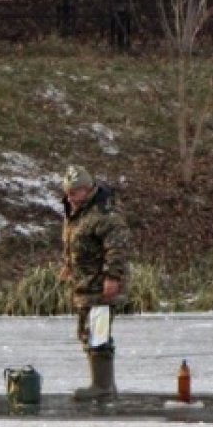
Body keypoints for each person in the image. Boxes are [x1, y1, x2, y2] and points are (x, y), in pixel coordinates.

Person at [58, 165, 131, 402]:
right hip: (84, 283)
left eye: (75, 192)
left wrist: (113, 276)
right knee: (86, 331)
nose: (70, 197)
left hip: (101, 285)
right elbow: (75, 241)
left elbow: (117, 247)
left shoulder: (104, 213)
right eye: (68, 192)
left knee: (97, 332)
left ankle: (102, 386)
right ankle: (104, 383)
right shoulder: (76, 211)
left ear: (88, 189)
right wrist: (69, 264)